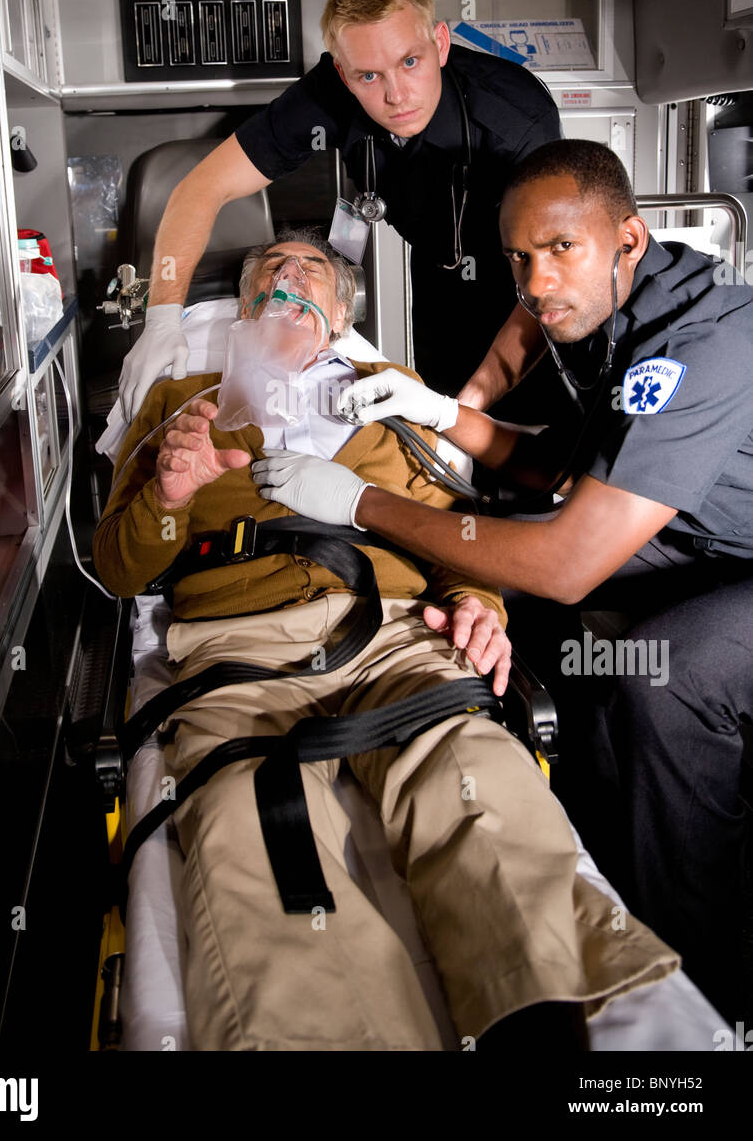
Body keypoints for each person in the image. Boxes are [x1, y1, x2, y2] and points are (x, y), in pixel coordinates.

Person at [94, 230, 678, 1052]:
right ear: (243, 308)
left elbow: (456, 534)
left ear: (339, 315)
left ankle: (569, 1021)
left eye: (313, 271)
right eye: (271, 269)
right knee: (248, 816)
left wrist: (479, 603)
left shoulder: (389, 394)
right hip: (236, 656)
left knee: (468, 769)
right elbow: (119, 570)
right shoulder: (180, 403)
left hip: (394, 637)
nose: (289, 275)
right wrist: (169, 492)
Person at [252, 141, 753, 1024]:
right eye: (521, 257)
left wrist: (362, 503)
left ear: (627, 239)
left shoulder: (702, 345)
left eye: (563, 249)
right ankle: (584, 817)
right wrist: (447, 415)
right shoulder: (618, 316)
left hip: (738, 559)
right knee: (509, 578)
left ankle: (698, 972)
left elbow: (570, 557)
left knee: (659, 676)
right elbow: (562, 476)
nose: (538, 280)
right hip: (702, 533)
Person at [117, 0, 562, 422]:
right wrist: (163, 318)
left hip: (532, 291)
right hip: (439, 274)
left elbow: (552, 279)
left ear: (441, 44)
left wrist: (460, 414)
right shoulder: (329, 91)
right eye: (369, 76)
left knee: (526, 436)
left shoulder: (518, 122)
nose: (397, 95)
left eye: (410, 62)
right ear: (344, 76)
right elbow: (200, 187)